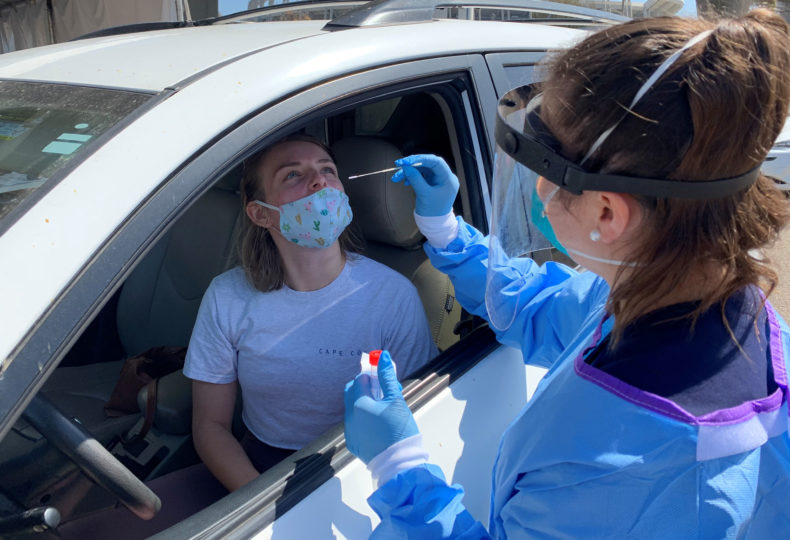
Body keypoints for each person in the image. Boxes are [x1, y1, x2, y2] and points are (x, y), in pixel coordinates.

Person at [344, 10, 790, 538]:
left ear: (607, 212)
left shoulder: (628, 470)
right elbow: (534, 305)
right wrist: (445, 230)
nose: (535, 191)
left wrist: (399, 469)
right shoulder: (675, 297)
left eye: (541, 171)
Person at [184, 134, 436, 492]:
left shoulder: (393, 296)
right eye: (292, 175)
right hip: (258, 469)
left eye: (327, 170)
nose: (319, 181)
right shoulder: (228, 297)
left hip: (363, 467)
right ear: (260, 213)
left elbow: (417, 414)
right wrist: (266, 508)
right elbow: (210, 427)